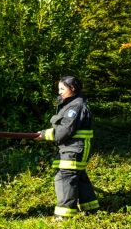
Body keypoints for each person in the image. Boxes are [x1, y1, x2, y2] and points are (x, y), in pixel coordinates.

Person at [36, 76, 100, 219]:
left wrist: (45, 134)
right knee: (78, 176)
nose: (59, 92)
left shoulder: (75, 107)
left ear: (73, 89)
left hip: (74, 149)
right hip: (71, 148)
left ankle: (64, 216)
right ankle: (91, 208)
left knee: (64, 177)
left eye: (62, 89)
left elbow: (65, 130)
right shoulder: (72, 104)